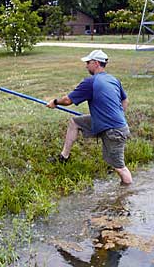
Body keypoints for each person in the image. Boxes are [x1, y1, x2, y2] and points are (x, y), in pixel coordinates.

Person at [46, 50, 132, 185]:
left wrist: (55, 102)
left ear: (96, 63)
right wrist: (113, 115)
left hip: (114, 131)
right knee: (75, 122)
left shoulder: (91, 82)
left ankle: (127, 195)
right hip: (110, 124)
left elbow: (68, 101)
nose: (86, 66)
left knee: (120, 168)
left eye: (88, 62)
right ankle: (64, 157)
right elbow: (125, 101)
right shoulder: (113, 79)